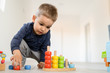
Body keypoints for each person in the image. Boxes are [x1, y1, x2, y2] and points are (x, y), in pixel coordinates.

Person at [10, 3, 58, 69]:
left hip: (37, 52)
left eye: (48, 27)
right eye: (41, 24)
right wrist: (16, 52)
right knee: (20, 42)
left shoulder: (47, 33)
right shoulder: (26, 27)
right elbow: (16, 39)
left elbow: (45, 48)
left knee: (48, 60)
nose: (43, 29)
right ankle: (19, 62)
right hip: (25, 49)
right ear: (34, 18)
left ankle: (47, 63)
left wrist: (42, 61)